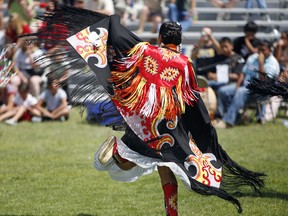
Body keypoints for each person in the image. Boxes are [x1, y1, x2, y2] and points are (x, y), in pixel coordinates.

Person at [24, 5, 266, 215]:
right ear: (179, 42)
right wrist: (206, 133)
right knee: (162, 162)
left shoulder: (145, 50)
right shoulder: (185, 65)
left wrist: (112, 22)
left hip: (142, 120)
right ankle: (120, 151)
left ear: (160, 39)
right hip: (169, 127)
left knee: (162, 164)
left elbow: (118, 38)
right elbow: (193, 102)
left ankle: (128, 160)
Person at [214, 40, 280, 128]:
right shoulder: (252, 57)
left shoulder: (273, 63)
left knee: (241, 92)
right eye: (259, 50)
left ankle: (228, 122)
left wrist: (261, 63)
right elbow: (243, 72)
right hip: (244, 86)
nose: (260, 52)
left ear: (270, 50)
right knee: (223, 91)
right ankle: (222, 117)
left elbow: (264, 81)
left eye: (263, 50)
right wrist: (237, 86)